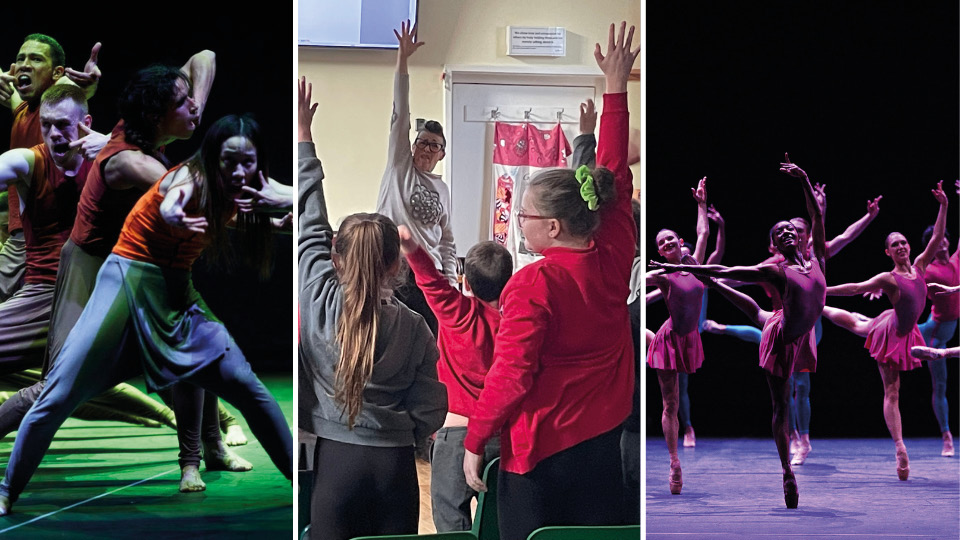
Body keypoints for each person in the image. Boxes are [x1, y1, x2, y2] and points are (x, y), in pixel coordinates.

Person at [0, 113, 294, 516]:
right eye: (230, 161)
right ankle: (6, 490)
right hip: (126, 283)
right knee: (60, 392)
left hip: (177, 294)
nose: (240, 171)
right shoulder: (189, 179)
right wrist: (173, 211)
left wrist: (280, 213)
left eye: (249, 161)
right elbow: (175, 195)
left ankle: (302, 484)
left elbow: (281, 196)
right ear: (212, 157)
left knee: (250, 389)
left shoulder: (248, 183)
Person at [462, 22, 638, 539]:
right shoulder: (613, 252)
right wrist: (615, 88)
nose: (520, 221)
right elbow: (613, 179)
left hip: (540, 458)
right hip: (603, 449)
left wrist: (475, 440)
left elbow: (511, 374)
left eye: (526, 216)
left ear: (554, 227)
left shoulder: (532, 284)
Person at [297, 76, 446, 540]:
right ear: (396, 263)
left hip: (334, 463)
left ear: (335, 256)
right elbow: (430, 409)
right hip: (394, 469)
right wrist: (404, 431)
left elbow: (308, 221)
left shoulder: (318, 300)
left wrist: (304, 137)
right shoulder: (416, 327)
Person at [650, 153, 826, 509]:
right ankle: (786, 472)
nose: (788, 232)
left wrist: (804, 179)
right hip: (781, 338)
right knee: (780, 406)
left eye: (791, 229)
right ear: (775, 246)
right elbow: (732, 269)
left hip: (795, 330)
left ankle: (720, 302)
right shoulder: (774, 270)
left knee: (761, 314)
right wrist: (709, 275)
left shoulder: (818, 254)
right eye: (780, 233)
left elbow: (817, 217)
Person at [821, 180, 949, 479]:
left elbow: (938, 236)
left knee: (859, 322)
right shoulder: (888, 278)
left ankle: (820, 307)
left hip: (905, 329)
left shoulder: (919, 265)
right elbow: (855, 287)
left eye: (904, 242)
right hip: (892, 332)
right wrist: (822, 290)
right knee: (890, 388)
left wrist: (944, 205)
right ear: (888, 252)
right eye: (895, 245)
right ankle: (900, 447)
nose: (902, 246)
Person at [398, 224, 511, 532]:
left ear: (466, 283)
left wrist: (409, 244)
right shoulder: (517, 325)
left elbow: (430, 280)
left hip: (456, 436)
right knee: (500, 523)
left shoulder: (459, 313)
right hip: (505, 437)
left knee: (450, 522)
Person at [0, 34, 102, 302]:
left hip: (35, 235)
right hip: (17, 227)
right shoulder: (23, 109)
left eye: (35, 59)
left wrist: (87, 88)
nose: (24, 64)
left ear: (57, 73)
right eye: (20, 58)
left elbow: (71, 88)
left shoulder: (57, 107)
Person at [375, 20, 457, 335]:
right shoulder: (399, 168)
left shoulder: (443, 189)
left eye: (433, 145)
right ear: (411, 145)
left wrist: (449, 278)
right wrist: (403, 60)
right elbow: (400, 115)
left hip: (431, 279)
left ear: (442, 154)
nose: (425, 148)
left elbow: (447, 238)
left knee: (428, 344)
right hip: (392, 274)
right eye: (421, 142)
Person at [646, 177, 709, 494]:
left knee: (679, 396)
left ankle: (646, 336)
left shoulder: (695, 263)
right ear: (659, 251)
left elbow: (703, 233)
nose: (668, 245)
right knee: (669, 404)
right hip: (670, 341)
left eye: (671, 240)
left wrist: (701, 204)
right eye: (662, 244)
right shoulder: (662, 274)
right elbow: (643, 280)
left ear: (679, 242)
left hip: (689, 339)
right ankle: (674, 463)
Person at [916, 219, 958, 457]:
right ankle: (946, 437)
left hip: (945, 332)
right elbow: (908, 285)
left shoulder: (957, 260)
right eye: (936, 238)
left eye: (944, 236)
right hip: (932, 334)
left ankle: (947, 435)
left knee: (941, 385)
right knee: (939, 385)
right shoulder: (929, 270)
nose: (941, 241)